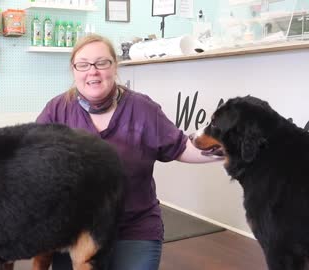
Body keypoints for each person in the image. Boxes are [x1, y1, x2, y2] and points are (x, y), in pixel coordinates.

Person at [36, 34, 221, 270]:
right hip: (75, 231)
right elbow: (31, 158)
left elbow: (182, 147)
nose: (92, 71)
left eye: (101, 63)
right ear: (73, 70)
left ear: (114, 66)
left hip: (134, 227)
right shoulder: (57, 109)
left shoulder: (142, 108)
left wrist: (229, 151)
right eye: (83, 65)